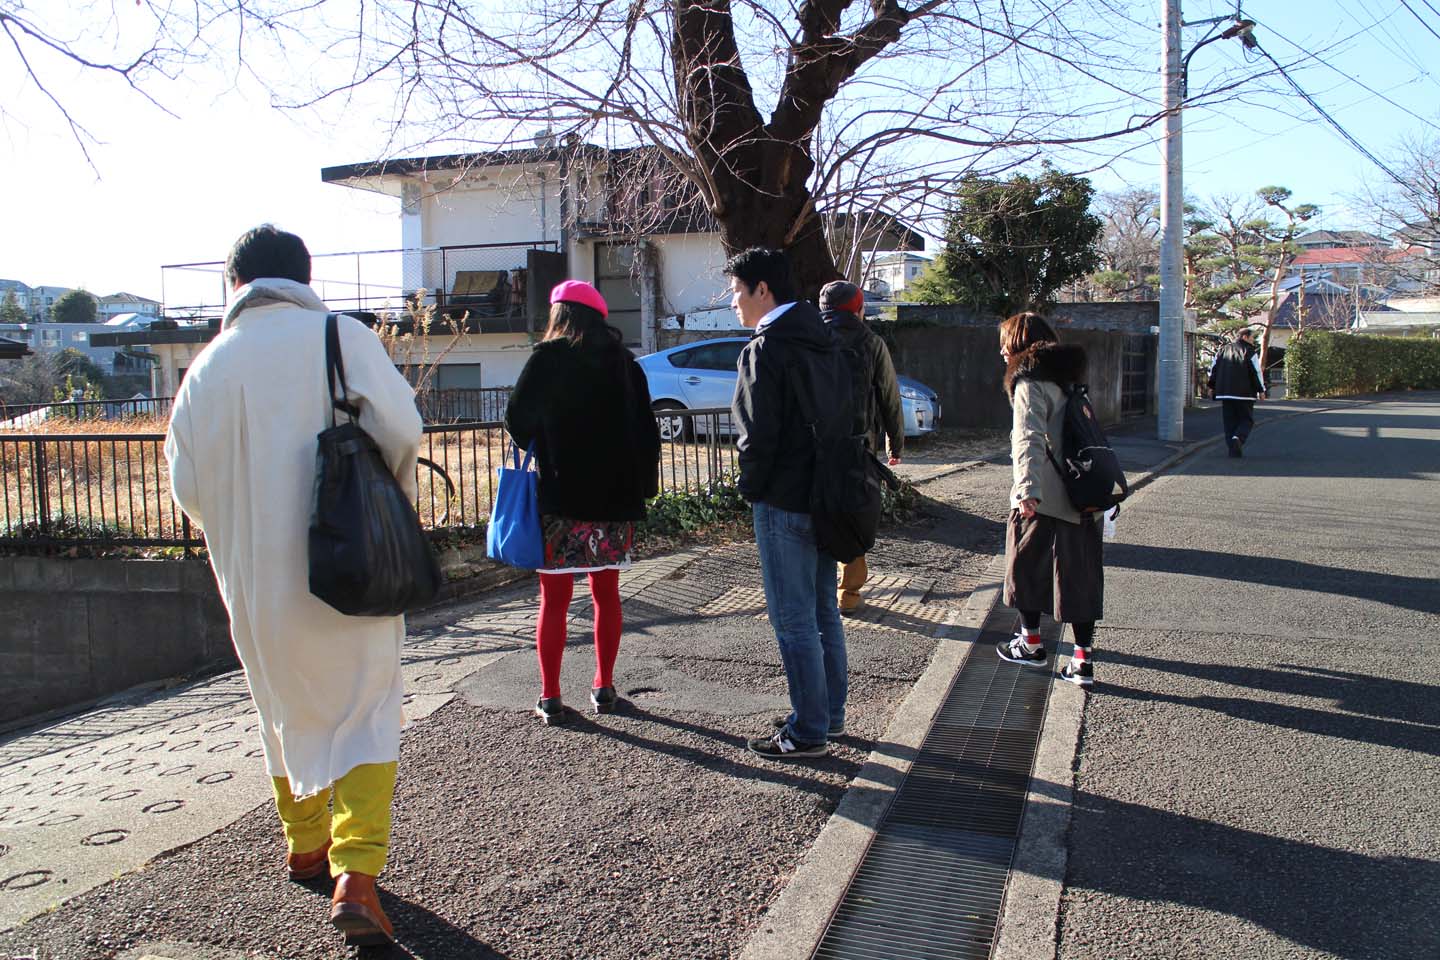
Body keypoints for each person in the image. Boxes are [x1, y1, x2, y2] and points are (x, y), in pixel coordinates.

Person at [164, 225, 422, 947]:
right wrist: (389, 495)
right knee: (367, 707)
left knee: (281, 706)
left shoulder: (206, 367)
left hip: (254, 579)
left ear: (234, 284)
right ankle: (356, 873)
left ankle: (304, 844)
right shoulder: (340, 336)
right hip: (349, 560)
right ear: (303, 279)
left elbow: (187, 487)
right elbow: (403, 429)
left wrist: (239, 524)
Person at [504, 280, 661, 725]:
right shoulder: (626, 364)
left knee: (554, 600)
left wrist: (549, 440)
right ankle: (604, 687)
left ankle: (550, 696)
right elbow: (647, 433)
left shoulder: (547, 359)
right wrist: (643, 490)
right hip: (616, 499)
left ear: (560, 314)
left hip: (561, 497)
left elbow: (517, 420)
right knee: (606, 594)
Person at [728, 248, 850, 759]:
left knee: (792, 619)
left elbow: (756, 435)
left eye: (737, 291)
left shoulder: (766, 348)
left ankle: (807, 731)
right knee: (823, 610)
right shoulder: (823, 338)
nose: (733, 302)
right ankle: (829, 715)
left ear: (762, 290)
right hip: (828, 495)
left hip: (783, 498)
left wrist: (750, 488)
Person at [994, 312, 1103, 688]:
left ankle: (1030, 644)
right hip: (1083, 495)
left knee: (1024, 570)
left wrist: (1026, 490)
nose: (1002, 350)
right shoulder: (1070, 379)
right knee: (1080, 579)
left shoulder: (1029, 381)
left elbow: (1028, 437)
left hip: (1043, 497)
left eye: (1005, 342)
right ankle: (1082, 661)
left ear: (1019, 343)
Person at [818, 280, 904, 615]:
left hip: (814, 449)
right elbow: (889, 397)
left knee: (817, 515)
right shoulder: (871, 342)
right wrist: (895, 443)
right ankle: (848, 595)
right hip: (857, 448)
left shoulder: (809, 339)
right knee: (853, 517)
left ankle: (819, 591)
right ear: (859, 308)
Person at [1208, 327, 1267, 457]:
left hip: (1225, 392)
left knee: (1229, 422)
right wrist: (1261, 390)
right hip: (1245, 393)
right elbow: (1256, 372)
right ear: (1245, 337)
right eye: (1252, 337)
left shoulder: (1222, 350)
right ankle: (1238, 438)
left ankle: (1232, 449)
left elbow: (1213, 369)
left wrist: (1211, 386)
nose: (1253, 340)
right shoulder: (1249, 351)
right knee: (1246, 419)